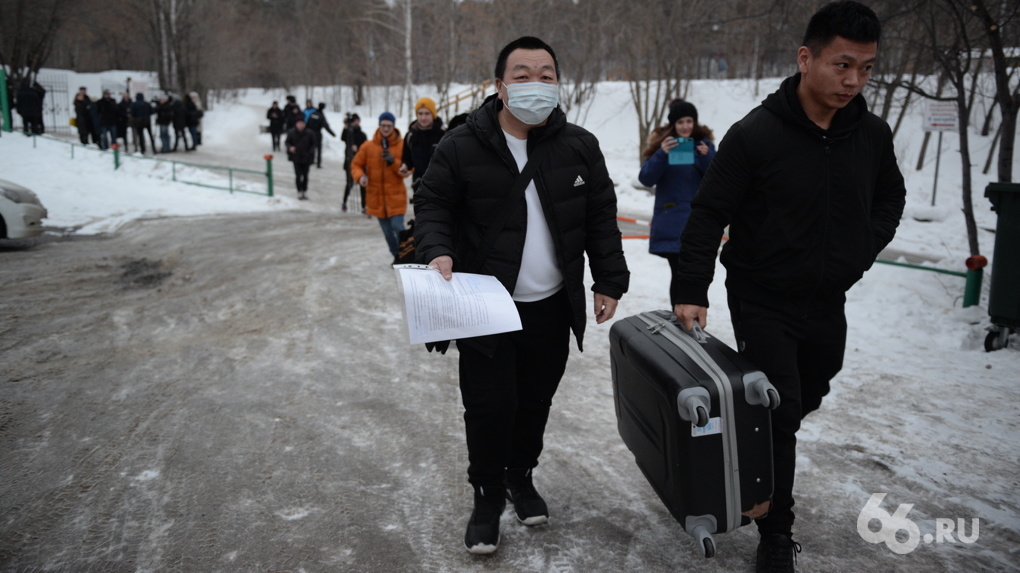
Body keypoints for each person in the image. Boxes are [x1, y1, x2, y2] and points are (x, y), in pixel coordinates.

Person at [670, 3, 906, 571]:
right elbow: (707, 216)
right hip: (762, 295)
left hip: (827, 298)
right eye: (842, 64)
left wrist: (860, 250)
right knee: (781, 406)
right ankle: (776, 532)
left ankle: (759, 452)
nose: (854, 81)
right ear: (807, 58)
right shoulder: (755, 134)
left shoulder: (871, 133)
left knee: (810, 391)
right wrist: (692, 288)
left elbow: (889, 199)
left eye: (867, 69)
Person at [413, 36, 629, 555]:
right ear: (500, 86)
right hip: (485, 304)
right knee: (490, 405)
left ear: (558, 83)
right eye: (523, 74)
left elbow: (600, 215)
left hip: (552, 305)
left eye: (547, 74)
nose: (536, 84)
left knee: (535, 400)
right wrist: (438, 248)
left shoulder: (579, 145)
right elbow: (433, 202)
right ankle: (487, 496)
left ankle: (520, 475)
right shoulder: (462, 144)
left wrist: (609, 279)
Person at [638, 99, 715, 302]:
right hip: (672, 222)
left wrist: (706, 158)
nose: (685, 126)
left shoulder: (705, 146)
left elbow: (717, 181)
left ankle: (691, 318)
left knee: (694, 275)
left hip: (697, 224)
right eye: (680, 122)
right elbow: (646, 179)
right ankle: (681, 319)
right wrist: (662, 154)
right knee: (680, 273)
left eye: (689, 121)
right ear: (674, 125)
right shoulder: (663, 147)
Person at [350, 112, 409, 257]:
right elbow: (355, 164)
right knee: (387, 232)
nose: (386, 129)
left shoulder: (402, 146)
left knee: (398, 227)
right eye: (383, 125)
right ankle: (396, 256)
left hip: (396, 196)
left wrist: (393, 161)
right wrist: (360, 176)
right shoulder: (368, 146)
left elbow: (408, 170)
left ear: (394, 126)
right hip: (376, 198)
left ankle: (407, 255)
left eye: (389, 126)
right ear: (379, 125)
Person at [398, 97, 445, 194]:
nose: (423, 118)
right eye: (420, 114)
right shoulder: (410, 135)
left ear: (433, 114)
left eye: (427, 113)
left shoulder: (444, 134)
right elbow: (406, 158)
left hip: (441, 187)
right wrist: (405, 166)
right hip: (419, 186)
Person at [341, 113, 368, 213]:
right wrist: (345, 126)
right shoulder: (348, 132)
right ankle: (344, 202)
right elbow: (342, 137)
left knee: (362, 183)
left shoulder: (362, 134)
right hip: (349, 161)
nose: (356, 122)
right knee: (349, 183)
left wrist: (358, 149)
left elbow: (366, 147)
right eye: (354, 121)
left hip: (361, 162)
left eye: (357, 120)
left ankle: (363, 206)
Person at [285, 117, 316, 200]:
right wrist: (290, 148)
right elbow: (287, 142)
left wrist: (310, 152)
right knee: (298, 175)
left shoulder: (310, 133)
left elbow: (313, 144)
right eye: (299, 123)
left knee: (305, 175)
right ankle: (299, 190)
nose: (300, 125)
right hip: (296, 157)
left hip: (306, 158)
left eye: (302, 123)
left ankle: (304, 190)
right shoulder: (291, 132)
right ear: (296, 124)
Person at [305, 102, 337, 168]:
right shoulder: (321, 115)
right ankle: (318, 163)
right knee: (318, 148)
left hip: (310, 133)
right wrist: (333, 134)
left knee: (311, 147)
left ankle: (311, 160)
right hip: (317, 134)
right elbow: (326, 126)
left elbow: (307, 124)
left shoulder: (313, 113)